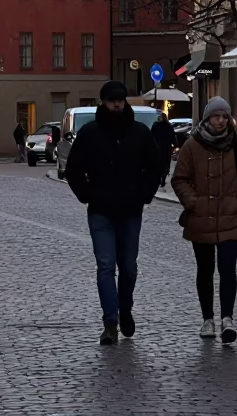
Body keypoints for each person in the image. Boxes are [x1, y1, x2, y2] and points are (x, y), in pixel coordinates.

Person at [67, 80, 161, 345]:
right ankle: (110, 321)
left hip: (131, 210)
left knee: (129, 268)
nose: (117, 104)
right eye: (112, 100)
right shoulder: (90, 133)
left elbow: (155, 167)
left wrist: (144, 194)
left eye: (120, 100)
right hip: (100, 211)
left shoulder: (140, 132)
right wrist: (86, 194)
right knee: (106, 266)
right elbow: (74, 169)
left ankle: (125, 309)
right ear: (104, 102)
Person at [172, 96, 237, 344]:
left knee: (228, 269)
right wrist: (194, 202)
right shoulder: (192, 145)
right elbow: (179, 179)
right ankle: (207, 319)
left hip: (231, 218)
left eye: (224, 116)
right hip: (200, 218)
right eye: (216, 116)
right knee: (205, 270)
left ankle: (227, 319)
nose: (221, 121)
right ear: (207, 118)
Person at [151, 112, 178, 188]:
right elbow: (172, 136)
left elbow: (151, 135)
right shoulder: (168, 126)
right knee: (166, 163)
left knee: (158, 163)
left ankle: (159, 177)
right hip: (166, 147)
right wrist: (175, 145)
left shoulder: (155, 125)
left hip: (157, 148)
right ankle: (163, 177)